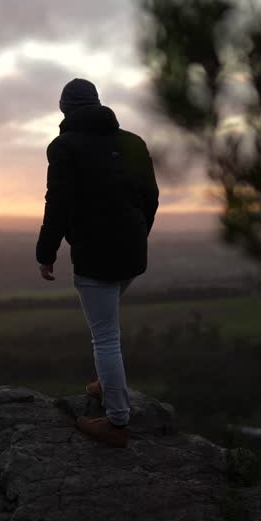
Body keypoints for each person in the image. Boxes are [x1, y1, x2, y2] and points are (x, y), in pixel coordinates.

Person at [36, 78, 159, 448]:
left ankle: (118, 421)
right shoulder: (133, 142)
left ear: (64, 109)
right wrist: (139, 233)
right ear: (98, 103)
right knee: (108, 326)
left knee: (105, 337)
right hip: (133, 253)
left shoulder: (63, 146)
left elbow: (57, 203)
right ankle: (107, 384)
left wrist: (46, 253)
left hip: (94, 255)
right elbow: (150, 197)